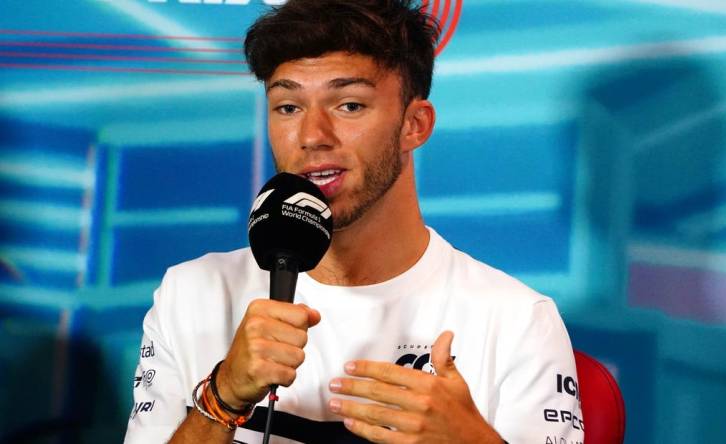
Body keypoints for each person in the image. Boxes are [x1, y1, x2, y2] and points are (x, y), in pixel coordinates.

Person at [124, 1, 584, 443]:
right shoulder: (190, 293)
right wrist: (221, 398)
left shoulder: (517, 322)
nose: (311, 136)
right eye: (288, 107)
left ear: (415, 125)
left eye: (349, 106)